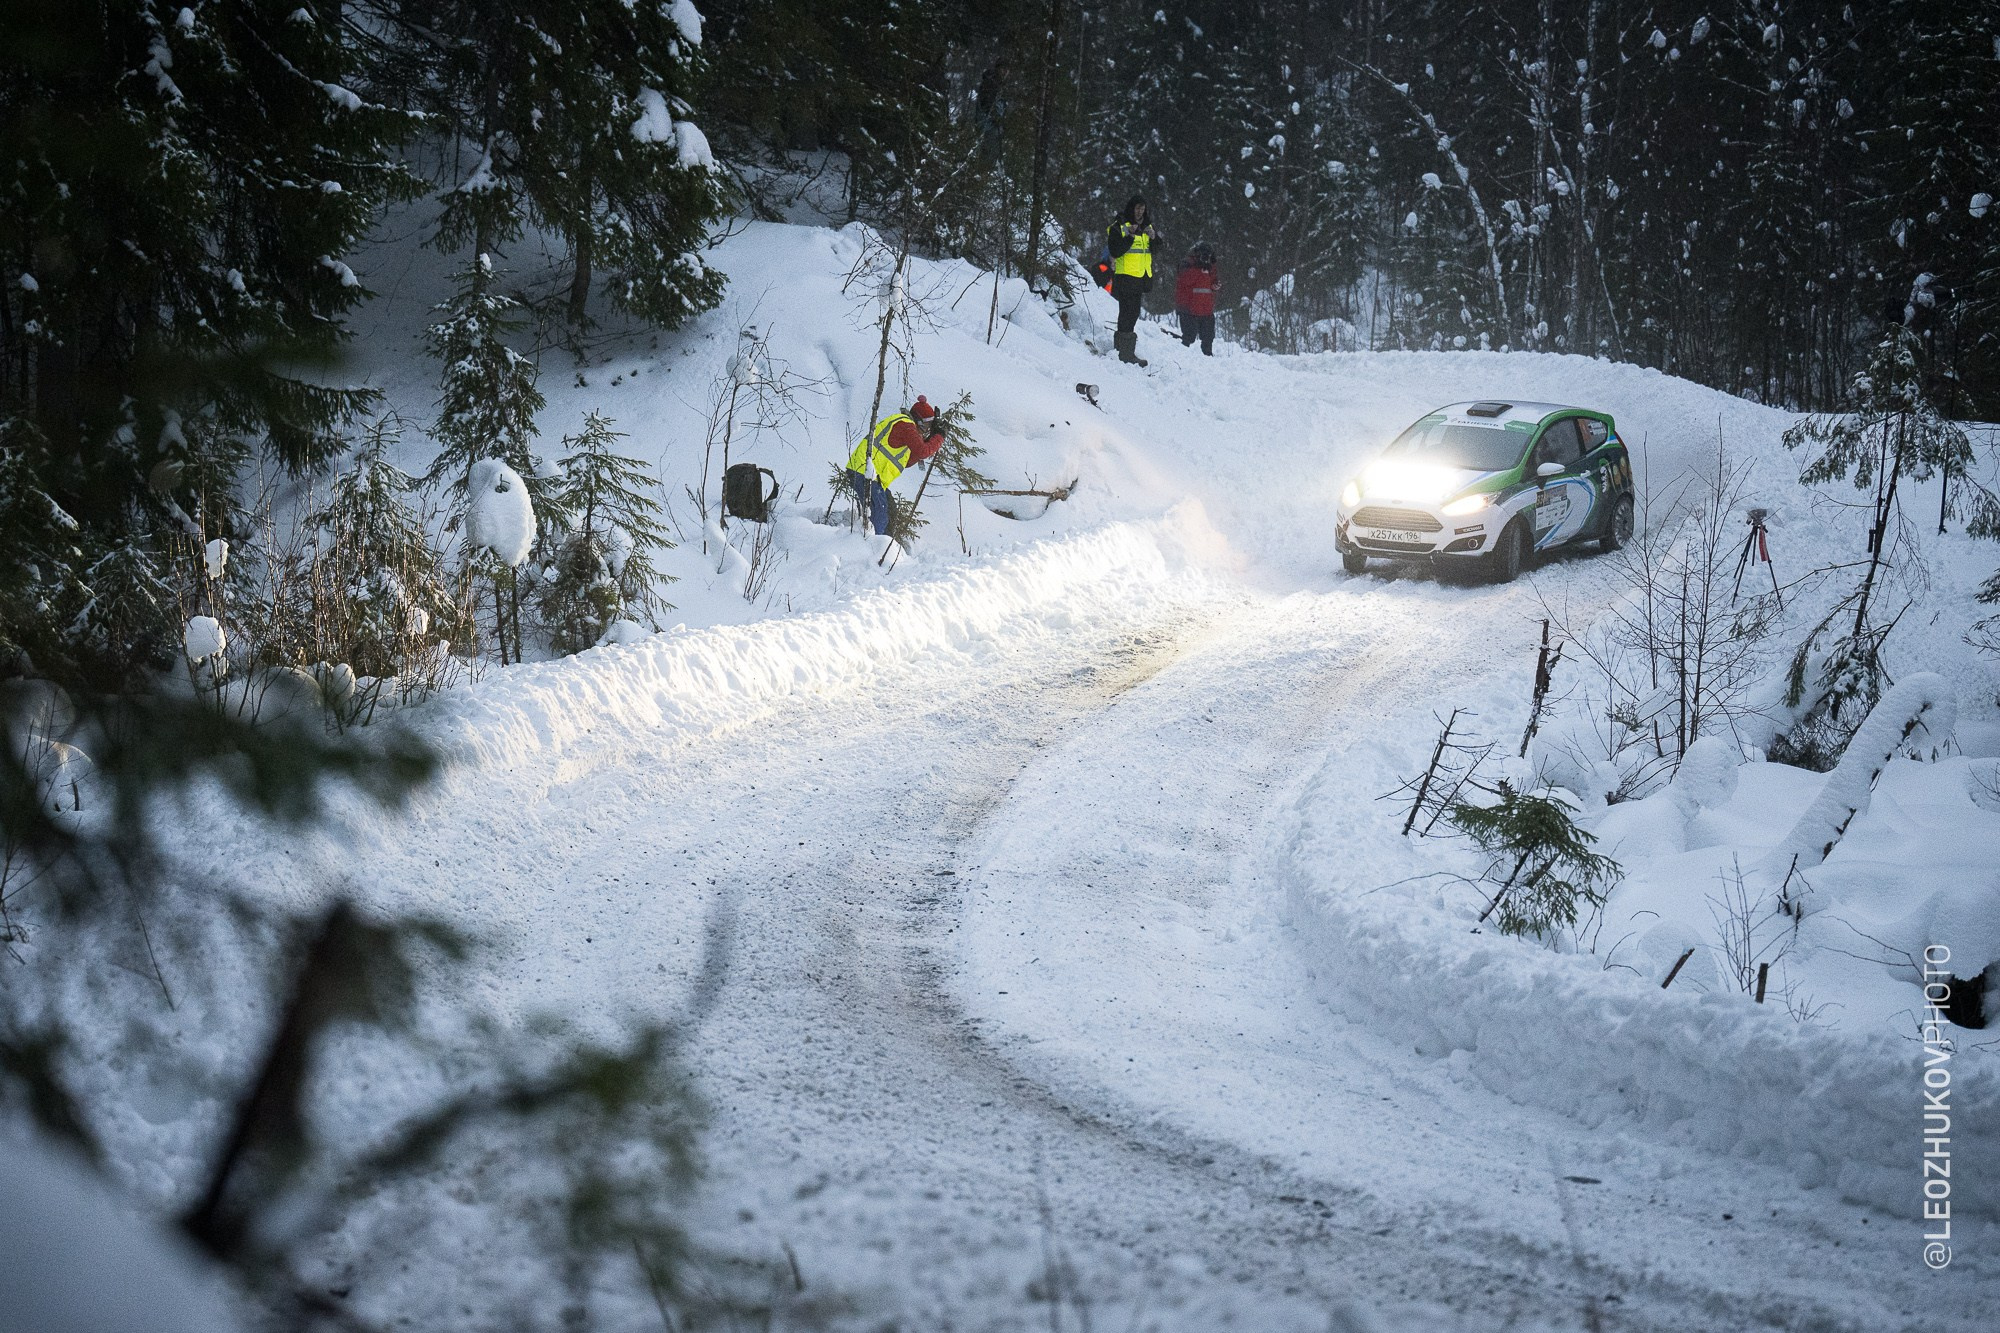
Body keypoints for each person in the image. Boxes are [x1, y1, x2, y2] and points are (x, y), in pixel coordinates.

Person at [845, 395, 944, 537]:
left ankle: (884, 545)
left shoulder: (908, 428)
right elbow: (922, 451)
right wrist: (939, 436)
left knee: (890, 511)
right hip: (863, 470)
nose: (928, 429)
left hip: (872, 476)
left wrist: (930, 439)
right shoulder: (906, 425)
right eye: (928, 425)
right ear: (919, 420)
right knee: (880, 514)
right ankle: (868, 544)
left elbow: (908, 461)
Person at [1105, 195, 1161, 366]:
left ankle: (1122, 350)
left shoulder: (1147, 226)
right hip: (1126, 276)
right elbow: (1115, 250)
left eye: (1142, 209)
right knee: (1128, 313)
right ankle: (1125, 353)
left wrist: (1154, 238)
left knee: (1131, 313)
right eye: (1137, 208)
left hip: (1140, 277)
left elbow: (1157, 249)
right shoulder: (1120, 226)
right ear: (1131, 208)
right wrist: (1129, 236)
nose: (1140, 212)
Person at [1174, 242, 1218, 356]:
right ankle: (1181, 355)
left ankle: (1208, 356)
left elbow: (1212, 280)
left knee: (1208, 336)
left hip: (1206, 307)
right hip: (1188, 307)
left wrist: (1215, 285)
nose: (1206, 258)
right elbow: (1185, 280)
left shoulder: (1210, 265)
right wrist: (1199, 267)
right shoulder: (1187, 263)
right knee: (1189, 336)